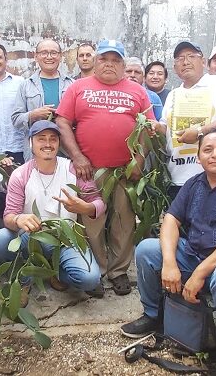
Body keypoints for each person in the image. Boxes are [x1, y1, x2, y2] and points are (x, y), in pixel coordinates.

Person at [121, 129, 216, 376]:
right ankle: (154, 316)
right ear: (199, 156)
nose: (215, 155)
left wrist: (200, 273)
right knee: (148, 250)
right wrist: (170, 263)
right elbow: (171, 220)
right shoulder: (194, 183)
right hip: (194, 254)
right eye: (207, 150)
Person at [56, 39, 155, 297]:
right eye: (104, 59)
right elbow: (63, 122)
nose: (110, 65)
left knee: (123, 221)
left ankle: (119, 271)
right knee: (92, 220)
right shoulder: (78, 88)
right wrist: (77, 157)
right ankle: (97, 270)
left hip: (126, 170)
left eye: (116, 61)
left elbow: (148, 127)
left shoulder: (137, 90)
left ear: (124, 65)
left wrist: (140, 161)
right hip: (90, 170)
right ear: (95, 62)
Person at [0, 121, 103, 305]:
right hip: (31, 237)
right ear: (30, 143)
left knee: (90, 279)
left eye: (53, 139)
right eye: (41, 139)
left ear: (59, 143)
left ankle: (54, 271)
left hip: (65, 239)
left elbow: (98, 202)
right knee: (1, 239)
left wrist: (85, 208)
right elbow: (9, 217)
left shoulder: (72, 169)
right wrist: (20, 219)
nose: (48, 144)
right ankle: (24, 278)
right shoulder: (21, 175)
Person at [158, 41, 216, 200]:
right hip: (177, 177)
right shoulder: (173, 94)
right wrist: (155, 127)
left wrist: (199, 132)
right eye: (180, 58)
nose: (185, 61)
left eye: (191, 56)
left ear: (203, 62)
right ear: (175, 67)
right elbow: (166, 128)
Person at [11, 39, 74, 159]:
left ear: (60, 56)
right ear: (36, 56)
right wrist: (33, 115)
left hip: (66, 150)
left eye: (54, 53)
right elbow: (16, 120)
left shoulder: (72, 85)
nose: (49, 57)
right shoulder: (26, 85)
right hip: (36, 151)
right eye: (44, 53)